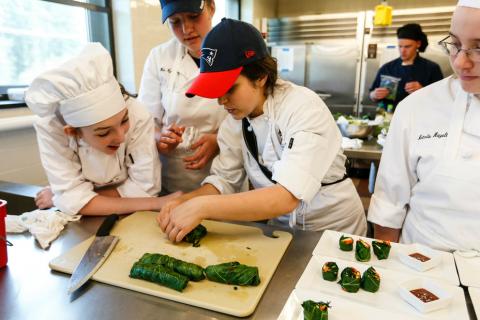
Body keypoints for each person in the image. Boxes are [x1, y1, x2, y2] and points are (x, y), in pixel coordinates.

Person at [157, 18, 367, 243]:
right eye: (216, 91)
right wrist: (186, 201)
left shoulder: (302, 107)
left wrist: (201, 207)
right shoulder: (233, 123)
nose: (221, 101)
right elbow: (224, 180)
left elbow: (286, 197)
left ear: (260, 76)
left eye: (229, 88)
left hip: (335, 229)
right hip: (282, 228)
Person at [368, 0, 480, 252]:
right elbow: (389, 203)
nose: (461, 63)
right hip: (417, 265)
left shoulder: (429, 68)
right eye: (455, 44)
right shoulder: (415, 106)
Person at [26, 43, 179, 216]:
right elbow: (72, 199)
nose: (121, 137)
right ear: (73, 132)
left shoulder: (137, 113)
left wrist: (72, 198)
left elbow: (145, 188)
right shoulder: (52, 127)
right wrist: (155, 203)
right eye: (104, 132)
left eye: (124, 121)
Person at [138, 0, 226, 194]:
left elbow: (250, 118)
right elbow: (145, 120)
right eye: (175, 22)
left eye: (194, 17)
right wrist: (160, 137)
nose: (186, 29)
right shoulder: (159, 57)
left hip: (225, 171)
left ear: (211, 8)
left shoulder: (232, 51)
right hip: (175, 178)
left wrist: (220, 139)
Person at [369, 23, 444, 110]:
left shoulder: (432, 68)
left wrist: (423, 91)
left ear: (418, 44)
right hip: (390, 117)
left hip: (420, 117)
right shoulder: (387, 67)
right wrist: (374, 95)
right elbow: (372, 94)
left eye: (407, 47)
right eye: (400, 46)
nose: (402, 51)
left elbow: (441, 98)